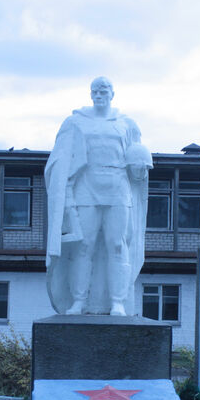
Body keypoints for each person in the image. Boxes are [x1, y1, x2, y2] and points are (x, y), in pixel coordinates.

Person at [45, 77, 152, 316]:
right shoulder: (75, 122)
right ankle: (79, 301)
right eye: (95, 90)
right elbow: (60, 159)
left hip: (118, 187)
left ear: (113, 93)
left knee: (117, 244)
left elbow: (138, 160)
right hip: (86, 187)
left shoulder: (127, 124)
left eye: (104, 90)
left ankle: (117, 302)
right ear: (90, 94)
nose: (99, 94)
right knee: (84, 246)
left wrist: (140, 171)